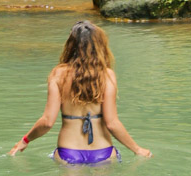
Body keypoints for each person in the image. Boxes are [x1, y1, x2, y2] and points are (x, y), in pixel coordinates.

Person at [8, 20, 151, 164]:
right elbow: (112, 123)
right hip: (103, 152)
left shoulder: (58, 74)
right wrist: (137, 149)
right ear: (99, 46)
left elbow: (47, 122)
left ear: (70, 45)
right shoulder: (106, 75)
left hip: (68, 152)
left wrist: (25, 140)